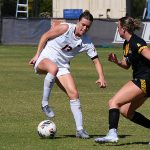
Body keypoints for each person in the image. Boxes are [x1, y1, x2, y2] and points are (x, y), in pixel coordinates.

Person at [29, 10, 107, 139]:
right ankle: (45, 104)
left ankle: (80, 130)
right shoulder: (65, 28)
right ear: (77, 22)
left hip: (62, 67)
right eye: (83, 24)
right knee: (53, 68)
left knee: (74, 94)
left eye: (88, 26)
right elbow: (45, 36)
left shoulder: (87, 42)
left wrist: (101, 77)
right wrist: (37, 55)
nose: (84, 28)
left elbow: (96, 61)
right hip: (45, 59)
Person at [95, 16, 150, 143]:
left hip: (145, 80)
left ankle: (112, 134)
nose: (117, 29)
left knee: (113, 102)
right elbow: (126, 65)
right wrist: (116, 61)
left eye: (118, 27)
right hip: (145, 81)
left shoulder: (137, 42)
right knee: (126, 111)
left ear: (124, 29)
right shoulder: (127, 44)